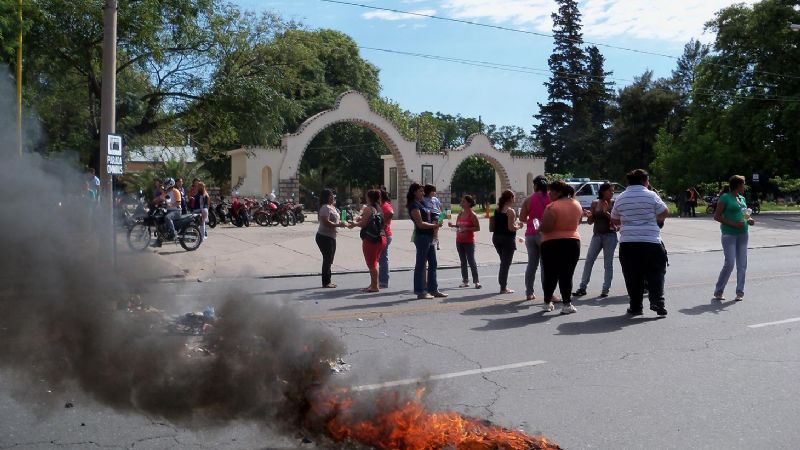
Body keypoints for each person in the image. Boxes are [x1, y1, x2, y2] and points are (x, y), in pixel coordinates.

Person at [610, 169, 669, 317]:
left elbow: (615, 219)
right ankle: (657, 302)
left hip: (628, 243)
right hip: (651, 241)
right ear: (644, 181)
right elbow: (665, 211)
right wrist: (657, 220)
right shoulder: (651, 195)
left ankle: (636, 306)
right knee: (656, 272)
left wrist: (628, 220)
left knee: (632, 275)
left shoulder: (621, 197)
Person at [539, 181, 583, 314]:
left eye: (551, 191)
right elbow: (578, 222)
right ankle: (567, 304)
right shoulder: (576, 204)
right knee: (567, 274)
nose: (549, 194)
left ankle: (547, 302)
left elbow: (547, 227)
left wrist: (539, 227)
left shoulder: (552, 207)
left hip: (551, 243)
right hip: (572, 241)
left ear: (558, 192)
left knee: (550, 274)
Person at [713, 175, 754, 301]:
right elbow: (717, 216)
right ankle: (719, 291)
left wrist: (750, 219)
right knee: (730, 263)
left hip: (743, 233)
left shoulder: (741, 198)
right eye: (743, 184)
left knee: (742, 264)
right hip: (729, 234)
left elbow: (745, 214)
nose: (744, 186)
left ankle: (740, 292)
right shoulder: (725, 197)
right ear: (737, 185)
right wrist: (733, 224)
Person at [573, 182, 618, 298]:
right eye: (610, 191)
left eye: (613, 191)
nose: (612, 193)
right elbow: (590, 222)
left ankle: (605, 289)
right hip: (597, 235)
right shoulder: (595, 203)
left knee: (608, 264)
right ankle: (582, 287)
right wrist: (589, 215)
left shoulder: (614, 203)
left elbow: (617, 222)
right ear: (603, 191)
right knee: (589, 261)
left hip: (610, 236)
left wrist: (606, 213)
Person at [408, 182, 447, 299]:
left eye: (423, 191)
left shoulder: (422, 203)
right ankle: (420, 291)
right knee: (420, 264)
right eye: (420, 191)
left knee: (433, 263)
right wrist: (433, 226)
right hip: (422, 236)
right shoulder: (414, 205)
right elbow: (420, 224)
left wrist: (438, 221)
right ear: (414, 192)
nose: (423, 193)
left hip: (429, 236)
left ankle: (433, 289)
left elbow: (435, 212)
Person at [519, 175, 550, 301]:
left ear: (535, 185)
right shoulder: (551, 198)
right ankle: (548, 293)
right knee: (545, 266)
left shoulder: (529, 199)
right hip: (544, 235)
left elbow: (522, 218)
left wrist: (531, 221)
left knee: (532, 264)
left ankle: (529, 292)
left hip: (530, 235)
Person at [315, 189, 352, 288]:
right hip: (324, 237)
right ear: (326, 197)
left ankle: (328, 280)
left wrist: (345, 222)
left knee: (330, 259)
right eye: (330, 196)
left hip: (331, 236)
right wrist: (338, 224)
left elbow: (340, 219)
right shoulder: (325, 207)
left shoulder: (332, 207)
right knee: (327, 259)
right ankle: (326, 282)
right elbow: (326, 222)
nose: (333, 197)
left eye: (333, 196)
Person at [355, 189, 387, 293]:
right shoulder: (379, 208)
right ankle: (373, 284)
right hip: (381, 237)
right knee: (375, 262)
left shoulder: (368, 208)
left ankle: (375, 287)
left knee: (371, 264)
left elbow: (363, 224)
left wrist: (353, 224)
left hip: (371, 239)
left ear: (369, 197)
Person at [448, 195, 481, 289]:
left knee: (471, 261)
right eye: (461, 201)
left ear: (469, 203)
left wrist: (467, 229)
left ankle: (476, 282)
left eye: (463, 201)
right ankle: (465, 281)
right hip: (459, 240)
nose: (461, 203)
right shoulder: (460, 214)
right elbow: (458, 227)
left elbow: (477, 228)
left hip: (469, 241)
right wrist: (453, 226)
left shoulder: (472, 215)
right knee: (463, 262)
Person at [492, 189, 522, 294]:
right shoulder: (510, 211)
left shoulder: (497, 209)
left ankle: (503, 285)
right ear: (510, 198)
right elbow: (511, 228)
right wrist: (519, 226)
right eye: (514, 197)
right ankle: (503, 287)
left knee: (503, 262)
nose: (515, 199)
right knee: (505, 264)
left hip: (496, 237)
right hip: (507, 239)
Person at [153, 178, 181, 247]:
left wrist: (170, 205)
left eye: (166, 184)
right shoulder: (166, 192)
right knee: (160, 222)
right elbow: (159, 198)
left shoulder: (176, 191)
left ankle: (173, 233)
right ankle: (159, 241)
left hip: (176, 211)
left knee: (167, 218)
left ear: (170, 184)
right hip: (169, 211)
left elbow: (178, 202)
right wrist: (152, 202)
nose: (165, 185)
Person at [378, 187, 394, 289]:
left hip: (385, 234)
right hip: (383, 234)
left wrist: (383, 224)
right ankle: (381, 280)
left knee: (383, 258)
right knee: (381, 258)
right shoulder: (380, 206)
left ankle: (383, 281)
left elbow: (391, 213)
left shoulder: (385, 205)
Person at [423, 184, 443, 250]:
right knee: (432, 230)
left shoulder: (435, 199)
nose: (434, 193)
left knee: (435, 226)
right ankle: (435, 241)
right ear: (428, 191)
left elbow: (440, 208)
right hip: (428, 214)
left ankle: (436, 241)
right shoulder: (424, 199)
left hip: (435, 214)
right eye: (432, 191)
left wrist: (442, 217)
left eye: (435, 191)